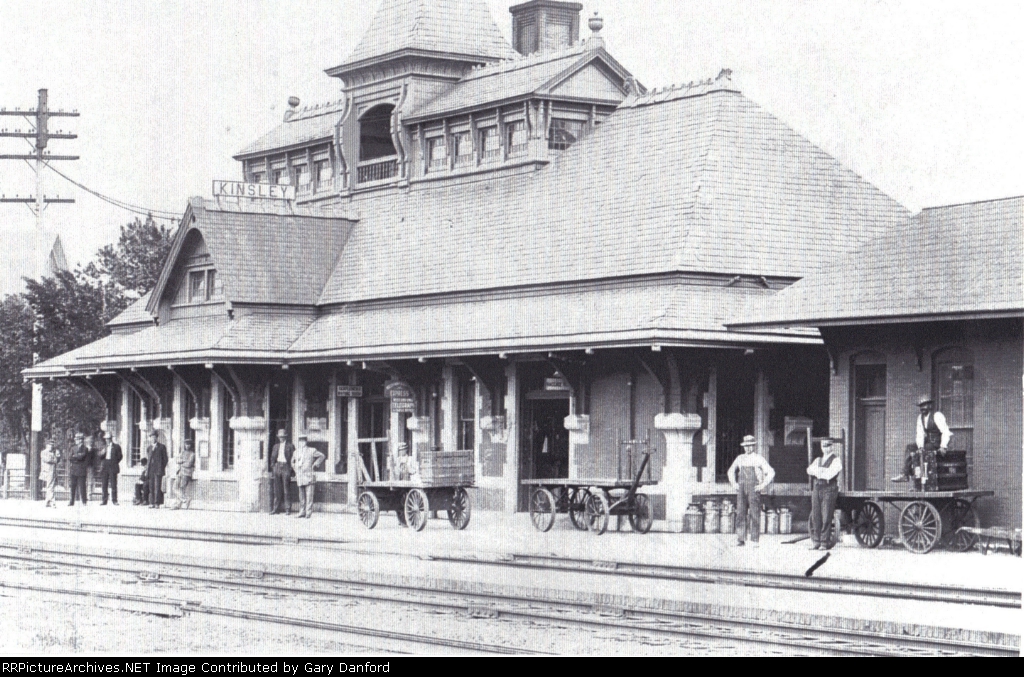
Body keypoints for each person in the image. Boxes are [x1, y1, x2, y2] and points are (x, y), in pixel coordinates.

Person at [727, 434, 775, 547]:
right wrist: (734, 484)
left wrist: (762, 485)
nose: (748, 448)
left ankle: (754, 540)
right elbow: (730, 471)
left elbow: (771, 472)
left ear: (754, 446)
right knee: (740, 513)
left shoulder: (758, 458)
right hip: (741, 488)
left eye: (750, 446)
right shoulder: (740, 458)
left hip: (754, 488)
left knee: (754, 513)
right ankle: (740, 539)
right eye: (746, 446)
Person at [892, 394, 952, 482]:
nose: (922, 408)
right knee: (910, 447)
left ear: (930, 405)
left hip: (936, 444)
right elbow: (920, 434)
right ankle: (905, 474)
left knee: (923, 452)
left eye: (924, 405)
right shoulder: (920, 418)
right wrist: (920, 447)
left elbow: (946, 432)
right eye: (921, 406)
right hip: (927, 443)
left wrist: (943, 446)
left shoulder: (937, 415)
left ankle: (920, 479)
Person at [807, 438, 843, 550]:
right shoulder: (818, 459)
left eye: (828, 446)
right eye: (823, 446)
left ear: (832, 446)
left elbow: (830, 474)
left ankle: (824, 542)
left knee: (826, 516)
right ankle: (816, 541)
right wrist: (821, 471)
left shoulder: (836, 460)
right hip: (817, 488)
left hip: (829, 488)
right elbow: (809, 470)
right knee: (816, 515)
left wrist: (818, 471)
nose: (825, 448)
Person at [290, 435, 325, 519]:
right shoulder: (296, 452)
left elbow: (322, 456)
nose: (302, 443)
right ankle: (302, 512)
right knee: (301, 496)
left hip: (309, 476)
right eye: (300, 441)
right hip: (300, 476)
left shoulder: (312, 450)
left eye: (303, 441)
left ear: (306, 442)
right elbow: (292, 462)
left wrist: (315, 465)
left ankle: (308, 513)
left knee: (309, 496)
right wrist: (295, 469)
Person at [269, 429, 294, 514]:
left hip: (286, 467)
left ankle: (288, 509)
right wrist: (273, 467)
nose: (281, 438)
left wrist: (290, 469)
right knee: (277, 489)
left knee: (286, 489)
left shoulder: (290, 446)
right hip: (277, 467)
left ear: (285, 437)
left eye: (282, 437)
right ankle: (276, 509)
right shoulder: (275, 446)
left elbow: (293, 458)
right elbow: (272, 458)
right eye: (280, 437)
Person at [169, 440, 196, 510]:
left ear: (191, 445)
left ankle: (177, 504)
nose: (187, 446)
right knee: (174, 488)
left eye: (189, 444)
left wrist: (182, 462)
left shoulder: (193, 454)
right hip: (179, 472)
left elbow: (189, 464)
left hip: (187, 473)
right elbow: (177, 460)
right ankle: (186, 499)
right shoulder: (182, 453)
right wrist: (182, 461)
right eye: (186, 444)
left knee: (182, 488)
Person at [67, 433, 92, 506]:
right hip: (74, 469)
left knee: (82, 486)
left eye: (77, 439)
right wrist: (78, 457)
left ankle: (84, 501)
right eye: (76, 439)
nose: (76, 441)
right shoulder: (73, 448)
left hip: (81, 470)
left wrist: (76, 457)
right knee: (72, 486)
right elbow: (70, 458)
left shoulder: (85, 448)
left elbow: (83, 458)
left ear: (81, 440)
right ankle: (71, 501)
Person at [99, 431, 123, 505]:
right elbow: (99, 456)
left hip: (113, 465)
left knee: (113, 484)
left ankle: (114, 500)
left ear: (111, 439)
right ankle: (104, 500)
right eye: (106, 439)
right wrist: (102, 452)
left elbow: (120, 456)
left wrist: (114, 462)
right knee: (104, 484)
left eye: (108, 439)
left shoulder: (116, 446)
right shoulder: (103, 446)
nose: (107, 440)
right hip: (105, 465)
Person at [146, 430, 168, 509]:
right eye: (152, 437)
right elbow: (148, 459)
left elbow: (165, 459)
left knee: (157, 486)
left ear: (157, 438)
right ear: (150, 438)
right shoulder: (149, 448)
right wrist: (147, 470)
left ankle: (157, 503)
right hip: (151, 470)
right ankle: (151, 502)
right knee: (151, 487)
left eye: (154, 437)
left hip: (158, 470)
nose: (153, 438)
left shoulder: (162, 447)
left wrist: (161, 467)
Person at [39, 438, 61, 508]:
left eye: (52, 445)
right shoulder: (43, 452)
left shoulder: (53, 452)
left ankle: (47, 501)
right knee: (50, 486)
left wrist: (58, 457)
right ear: (47, 445)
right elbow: (48, 460)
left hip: (52, 471)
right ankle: (53, 501)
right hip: (47, 471)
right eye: (49, 445)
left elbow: (57, 461)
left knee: (50, 486)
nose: (51, 446)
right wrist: (55, 458)